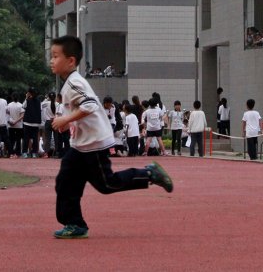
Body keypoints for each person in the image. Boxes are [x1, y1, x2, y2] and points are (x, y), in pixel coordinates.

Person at [50, 35, 173, 239]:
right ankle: (74, 223)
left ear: (71, 61)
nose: (51, 61)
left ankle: (149, 174)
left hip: (93, 144)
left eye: (55, 56)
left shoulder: (74, 84)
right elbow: (83, 110)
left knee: (107, 184)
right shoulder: (70, 84)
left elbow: (89, 106)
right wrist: (67, 122)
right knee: (65, 180)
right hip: (81, 145)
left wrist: (65, 120)